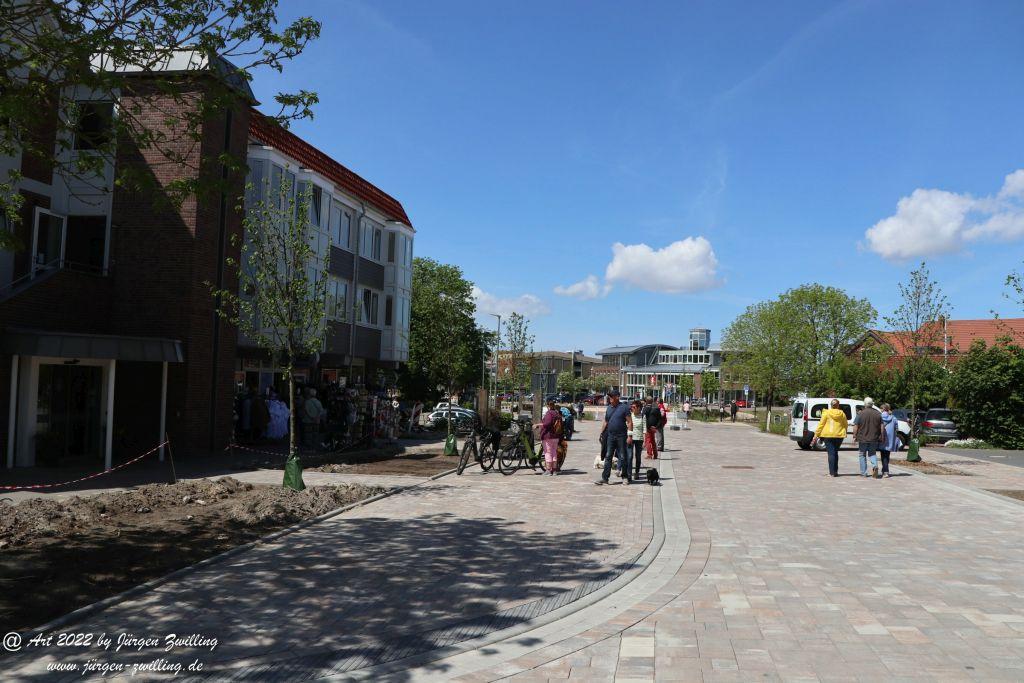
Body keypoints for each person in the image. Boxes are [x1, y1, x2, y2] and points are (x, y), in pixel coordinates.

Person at [596, 390, 633, 485]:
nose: (610, 398)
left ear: (617, 397)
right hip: (610, 436)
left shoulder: (624, 408)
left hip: (621, 436)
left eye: (612, 396)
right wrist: (601, 433)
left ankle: (625, 477)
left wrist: (630, 436)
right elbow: (606, 421)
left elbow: (629, 422)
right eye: (609, 396)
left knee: (623, 457)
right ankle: (605, 478)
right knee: (608, 456)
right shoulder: (609, 408)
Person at [811, 398, 848, 477]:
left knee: (831, 453)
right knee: (835, 452)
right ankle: (835, 472)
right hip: (839, 435)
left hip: (828, 435)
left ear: (831, 405)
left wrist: (816, 435)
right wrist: (842, 430)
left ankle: (831, 473)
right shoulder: (842, 414)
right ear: (838, 405)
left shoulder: (826, 413)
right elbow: (845, 424)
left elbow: (821, 425)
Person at [852, 397, 883, 478]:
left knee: (862, 454)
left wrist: (854, 435)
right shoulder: (878, 414)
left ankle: (864, 472)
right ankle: (875, 466)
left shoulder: (860, 414)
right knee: (872, 453)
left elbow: (856, 425)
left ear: (865, 404)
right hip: (874, 438)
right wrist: (882, 436)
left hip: (862, 438)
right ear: (872, 404)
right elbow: (882, 426)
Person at [540, 399, 563, 476]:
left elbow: (547, 423)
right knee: (554, 453)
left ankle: (548, 470)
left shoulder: (549, 413)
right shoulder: (557, 413)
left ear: (548, 406)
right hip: (556, 436)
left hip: (548, 436)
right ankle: (554, 470)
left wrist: (537, 425)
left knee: (548, 453)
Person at [879, 403, 899, 479]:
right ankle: (885, 470)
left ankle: (885, 471)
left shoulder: (880, 417)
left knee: (883, 455)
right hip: (890, 440)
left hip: (882, 438)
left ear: (883, 409)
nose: (880, 410)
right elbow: (897, 428)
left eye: (881, 408)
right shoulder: (893, 418)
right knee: (887, 455)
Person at [627, 400, 646, 480]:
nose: (632, 408)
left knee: (638, 457)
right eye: (631, 407)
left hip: (639, 439)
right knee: (630, 456)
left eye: (634, 407)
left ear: (639, 408)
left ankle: (637, 472)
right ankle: (629, 474)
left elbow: (645, 429)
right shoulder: (629, 415)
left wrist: (645, 441)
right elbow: (627, 426)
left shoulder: (642, 416)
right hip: (630, 438)